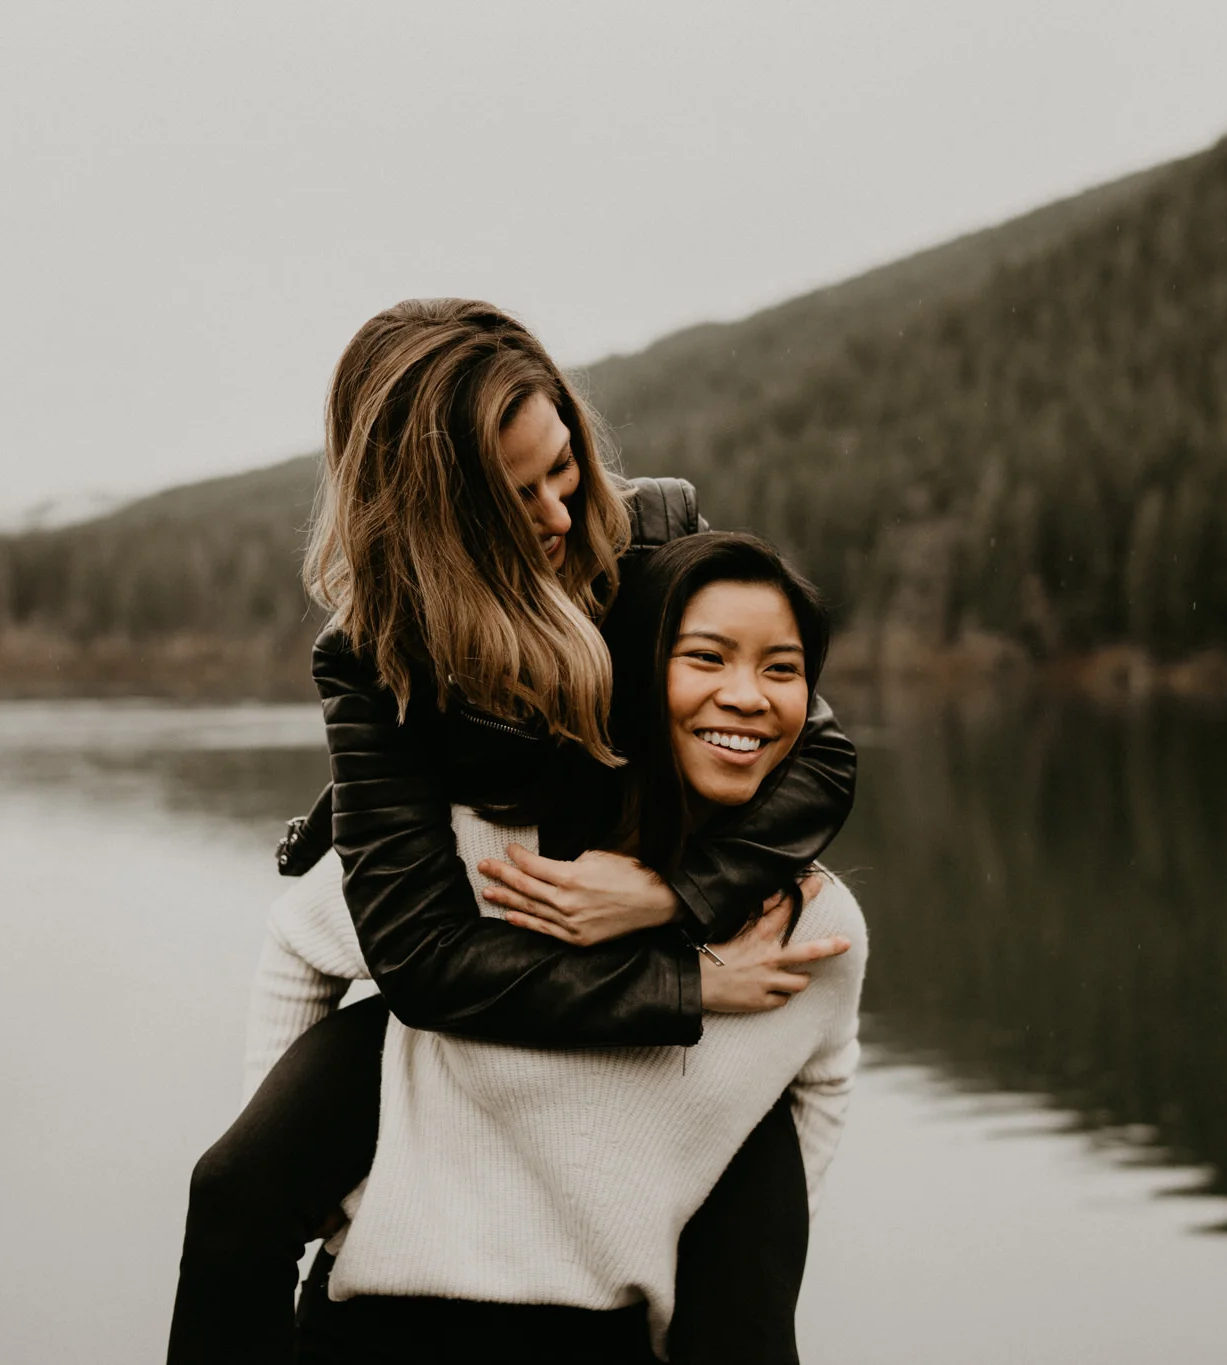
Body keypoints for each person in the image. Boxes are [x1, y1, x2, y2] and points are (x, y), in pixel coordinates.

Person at [167, 300, 858, 1363]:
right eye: (515, 495)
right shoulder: (374, 653)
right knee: (230, 1198)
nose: (559, 512)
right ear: (431, 515)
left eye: (563, 467)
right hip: (496, 982)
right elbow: (422, 961)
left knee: (740, 1301)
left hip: (645, 954)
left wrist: (674, 897)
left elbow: (819, 753)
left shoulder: (653, 542)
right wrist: (684, 986)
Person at [250, 533, 867, 1363]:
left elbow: (823, 1079)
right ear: (638, 674)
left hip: (609, 1336)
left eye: (782, 669)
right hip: (385, 1322)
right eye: (706, 657)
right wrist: (307, 1176)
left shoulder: (812, 924)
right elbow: (299, 940)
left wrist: (744, 1284)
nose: (747, 696)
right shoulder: (502, 853)